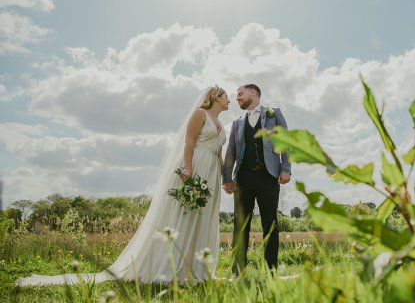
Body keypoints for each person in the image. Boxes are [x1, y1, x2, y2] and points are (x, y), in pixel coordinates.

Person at [16, 85, 229, 286]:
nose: (229, 100)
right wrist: (188, 168)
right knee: (183, 216)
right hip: (196, 168)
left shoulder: (221, 124)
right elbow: (189, 142)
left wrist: (226, 178)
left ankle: (198, 270)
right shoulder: (200, 113)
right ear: (216, 97)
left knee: (203, 218)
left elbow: (219, 154)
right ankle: (172, 268)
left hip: (211, 174)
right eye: (226, 96)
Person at [222, 84, 291, 276]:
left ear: (253, 93)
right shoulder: (237, 122)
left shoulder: (273, 114)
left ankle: (271, 271)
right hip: (243, 178)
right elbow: (231, 151)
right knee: (240, 225)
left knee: (270, 223)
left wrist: (286, 168)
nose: (237, 98)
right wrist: (227, 178)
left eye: (240, 94)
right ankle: (238, 272)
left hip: (268, 176)